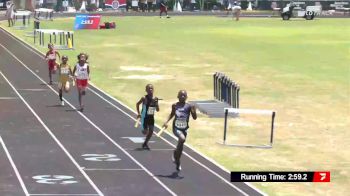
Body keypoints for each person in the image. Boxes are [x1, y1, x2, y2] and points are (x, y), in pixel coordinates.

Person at [162, 90, 197, 171]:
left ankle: (177, 161)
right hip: (176, 128)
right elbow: (171, 114)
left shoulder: (189, 106)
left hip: (184, 129)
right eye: (181, 95)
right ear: (178, 96)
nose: (182, 97)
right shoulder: (175, 105)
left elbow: (194, 118)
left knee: (180, 149)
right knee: (182, 139)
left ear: (186, 97)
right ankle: (176, 155)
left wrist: (194, 111)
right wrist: (166, 122)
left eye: (184, 95)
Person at [136, 84, 159, 150]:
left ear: (153, 89)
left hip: (151, 116)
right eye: (149, 88)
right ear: (146, 90)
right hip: (144, 117)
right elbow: (137, 104)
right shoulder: (144, 98)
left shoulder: (155, 98)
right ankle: (144, 129)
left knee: (151, 131)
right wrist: (138, 113)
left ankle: (145, 143)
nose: (150, 89)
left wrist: (156, 103)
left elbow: (157, 110)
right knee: (145, 132)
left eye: (151, 88)